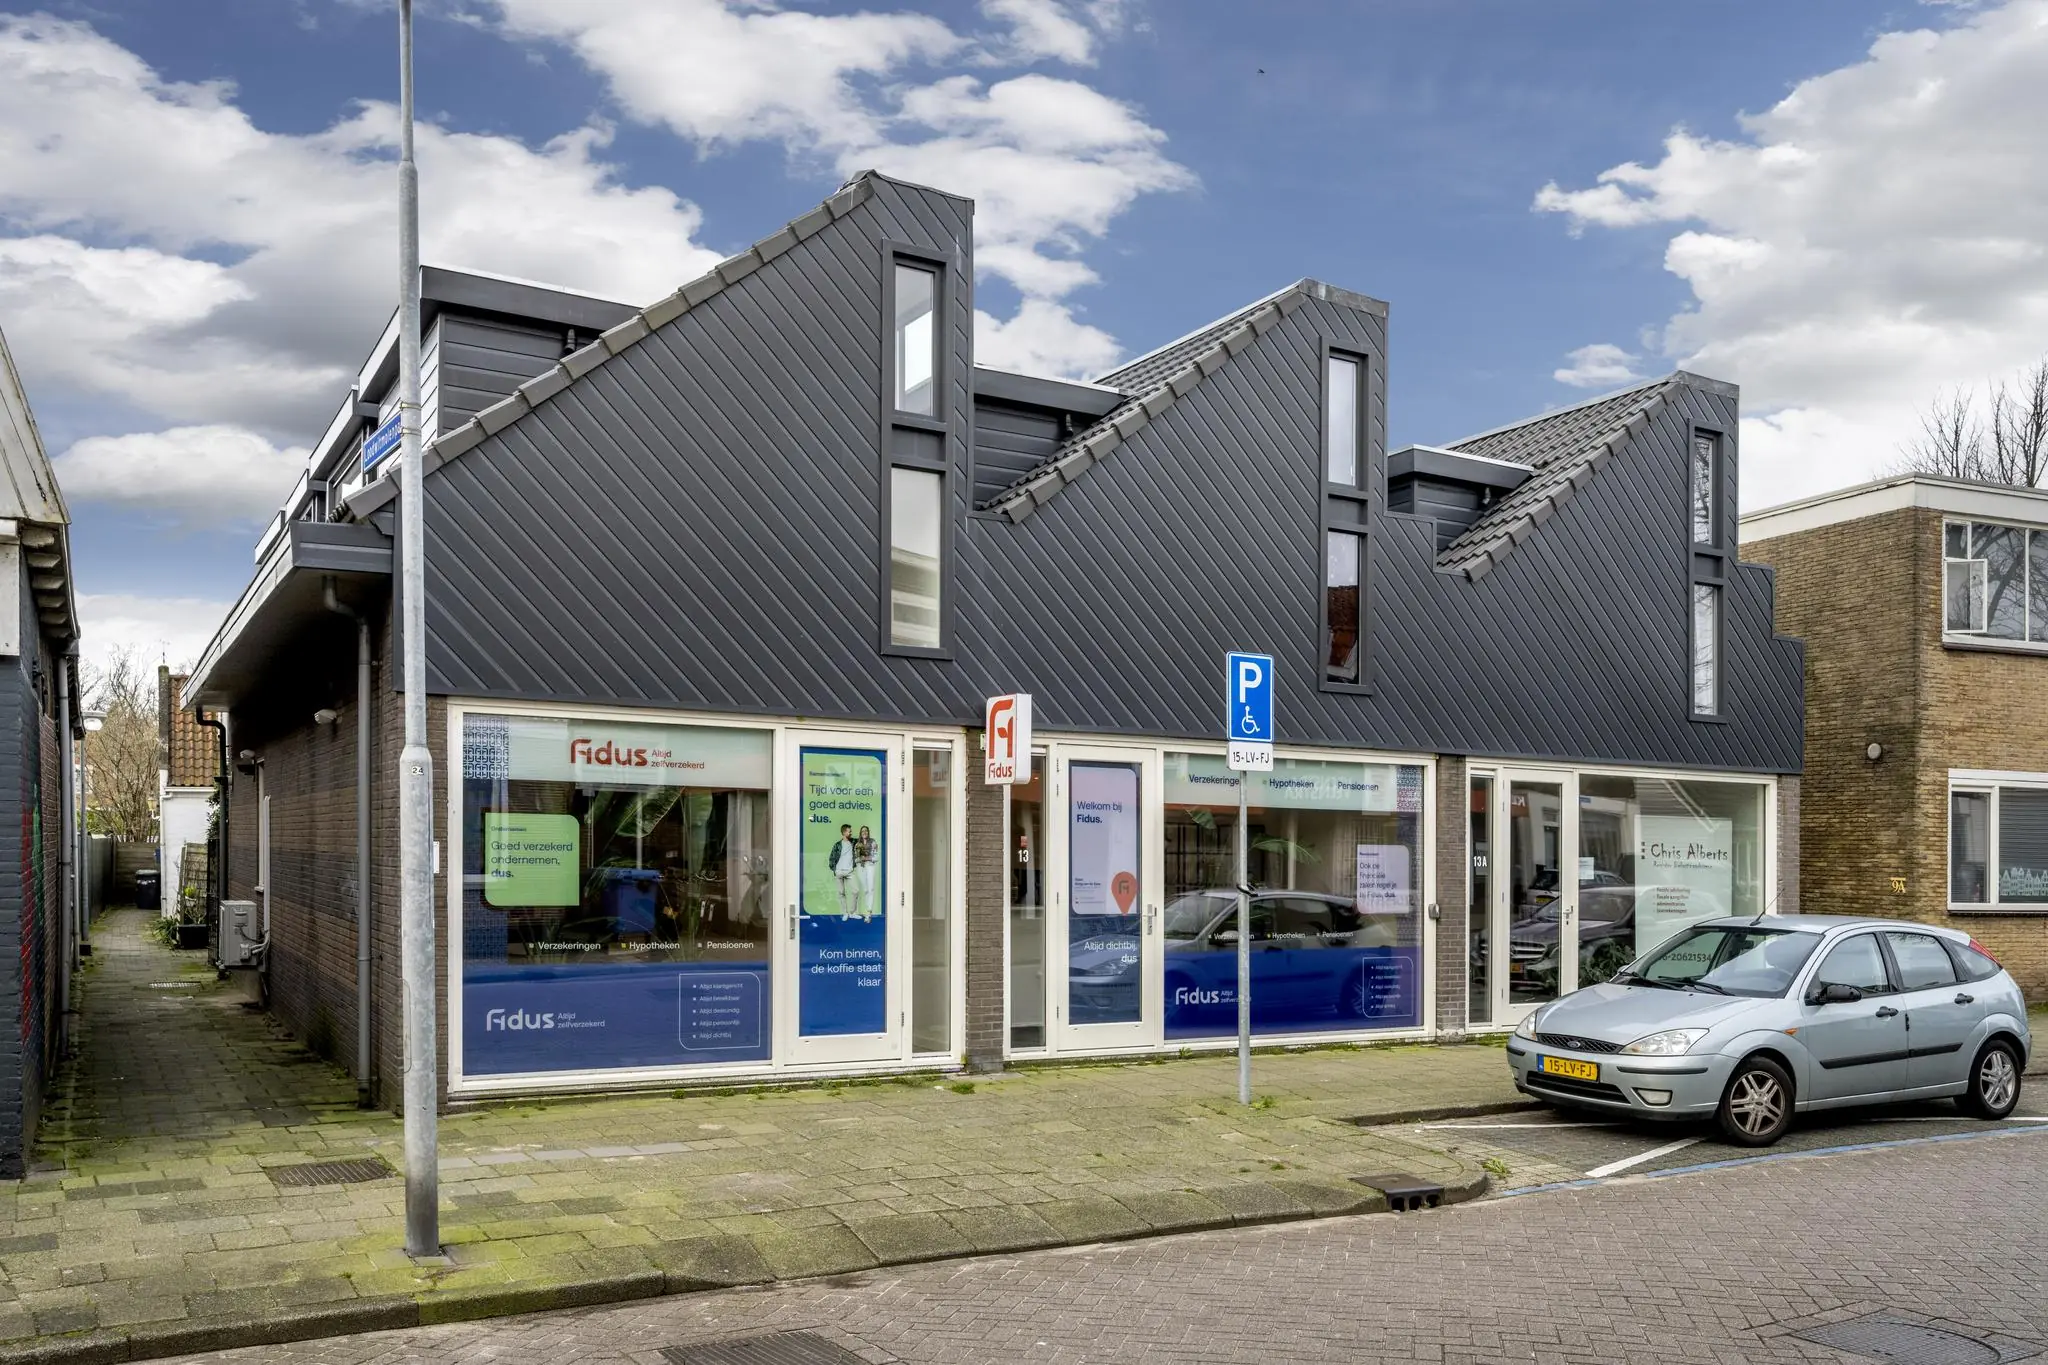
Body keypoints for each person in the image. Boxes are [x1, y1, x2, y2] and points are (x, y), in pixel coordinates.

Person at [828, 824, 857, 916]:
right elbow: (832, 858)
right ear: (844, 832)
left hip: (849, 871)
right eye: (849, 831)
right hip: (839, 871)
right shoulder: (837, 845)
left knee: (856, 891)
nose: (851, 832)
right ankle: (845, 913)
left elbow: (863, 839)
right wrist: (835, 870)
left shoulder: (853, 842)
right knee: (841, 893)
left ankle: (852, 913)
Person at [854, 824, 879, 920]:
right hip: (861, 867)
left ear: (868, 832)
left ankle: (869, 912)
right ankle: (864, 910)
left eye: (866, 830)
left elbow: (876, 857)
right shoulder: (857, 844)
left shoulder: (873, 842)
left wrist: (867, 858)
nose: (864, 832)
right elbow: (855, 859)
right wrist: (861, 858)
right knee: (865, 890)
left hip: (870, 866)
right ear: (860, 833)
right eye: (862, 831)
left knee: (871, 888)